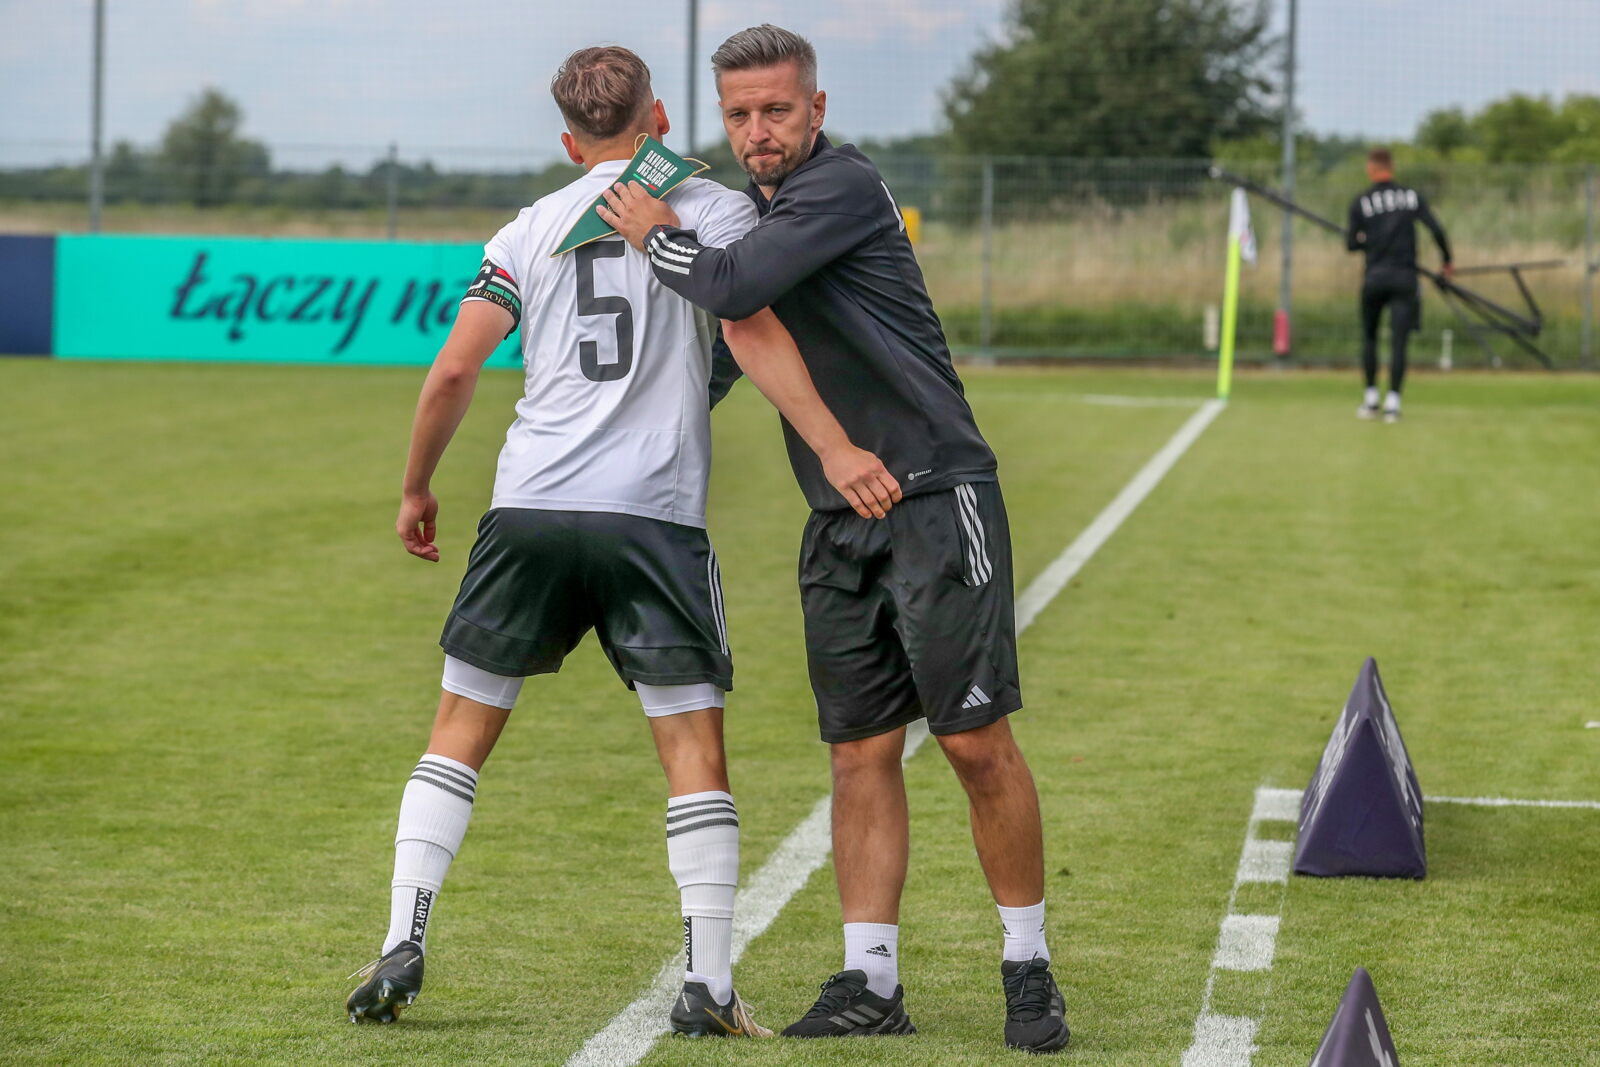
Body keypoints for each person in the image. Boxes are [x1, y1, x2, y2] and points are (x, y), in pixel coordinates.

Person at [344, 44, 896, 1038]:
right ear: (662, 121)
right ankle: (709, 982)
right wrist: (833, 439)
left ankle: (402, 935)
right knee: (689, 744)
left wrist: (417, 485)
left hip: (528, 508)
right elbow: (750, 330)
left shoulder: (528, 226)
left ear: (569, 139)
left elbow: (453, 374)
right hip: (651, 514)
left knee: (459, 730)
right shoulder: (717, 209)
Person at [598, 24, 1069, 1054]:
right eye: (738, 116)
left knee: (973, 741)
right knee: (858, 753)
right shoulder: (748, 208)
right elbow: (729, 342)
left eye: (776, 110)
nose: (757, 133)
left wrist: (650, 227)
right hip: (836, 515)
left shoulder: (841, 188)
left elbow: (727, 289)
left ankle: (1028, 966)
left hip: (937, 493)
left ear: (816, 108)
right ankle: (870, 979)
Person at [1347, 146, 1453, 423]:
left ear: (1371, 168)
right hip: (1405, 278)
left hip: (1374, 278)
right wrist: (1447, 261)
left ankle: (1371, 400)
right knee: (1398, 341)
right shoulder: (1410, 196)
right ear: (1391, 167)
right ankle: (1393, 403)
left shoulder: (1361, 201)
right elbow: (1436, 229)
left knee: (1369, 337)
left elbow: (1350, 243)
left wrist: (1367, 242)